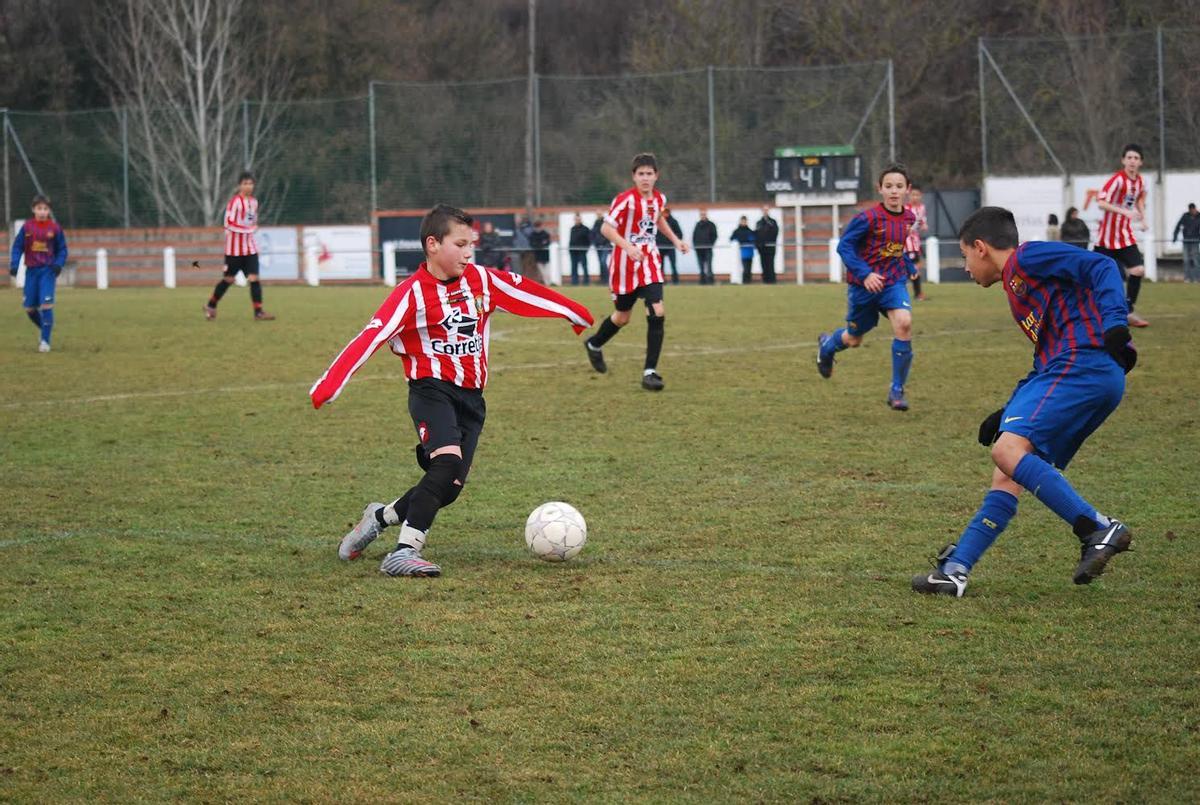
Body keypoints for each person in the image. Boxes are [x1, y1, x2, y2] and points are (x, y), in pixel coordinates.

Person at [310, 204, 593, 577]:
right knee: (444, 466)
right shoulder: (410, 295)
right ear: (432, 245)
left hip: (472, 401)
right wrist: (331, 383)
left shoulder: (482, 281)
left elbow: (527, 293)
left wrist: (574, 312)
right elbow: (372, 335)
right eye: (460, 244)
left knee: (450, 487)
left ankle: (380, 516)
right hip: (431, 391)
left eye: (470, 244)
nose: (468, 251)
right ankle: (404, 550)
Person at [912, 206, 1136, 597]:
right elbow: (1043, 357)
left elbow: (1101, 266)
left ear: (980, 248)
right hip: (1073, 370)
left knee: (1008, 451)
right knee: (1009, 469)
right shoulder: (1017, 291)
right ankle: (956, 569)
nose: (965, 268)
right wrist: (1008, 408)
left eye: (964, 256)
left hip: (1083, 362)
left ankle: (1097, 527)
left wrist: (1116, 322)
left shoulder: (1027, 257)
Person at [583, 153, 689, 391]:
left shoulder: (659, 198)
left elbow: (658, 219)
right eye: (640, 174)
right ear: (634, 176)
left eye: (649, 174)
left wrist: (676, 240)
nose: (645, 178)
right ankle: (594, 344)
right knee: (622, 317)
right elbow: (606, 228)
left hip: (649, 262)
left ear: (656, 176)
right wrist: (628, 247)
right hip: (624, 264)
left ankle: (650, 372)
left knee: (657, 310)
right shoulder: (624, 200)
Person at [816, 164, 917, 411]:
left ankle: (896, 391)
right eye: (889, 186)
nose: (894, 191)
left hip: (893, 282)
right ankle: (827, 348)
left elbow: (894, 247)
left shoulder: (908, 218)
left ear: (907, 190)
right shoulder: (867, 218)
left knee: (904, 323)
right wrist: (865, 274)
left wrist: (907, 264)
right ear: (880, 189)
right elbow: (844, 247)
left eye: (899, 186)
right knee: (854, 339)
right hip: (863, 287)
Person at [204, 171, 274, 321]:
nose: (248, 186)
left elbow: (250, 220)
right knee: (228, 280)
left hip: (250, 248)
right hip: (234, 251)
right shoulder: (235, 202)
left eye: (251, 183)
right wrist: (247, 229)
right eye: (245, 183)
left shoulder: (253, 202)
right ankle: (211, 305)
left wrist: (253, 225)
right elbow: (228, 223)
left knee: (254, 278)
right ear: (239, 185)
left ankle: (258, 312)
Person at [1094, 143, 1150, 327]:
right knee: (1097, 278)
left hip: (1124, 236)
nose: (1132, 161)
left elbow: (1140, 199)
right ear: (1123, 160)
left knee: (1138, 270)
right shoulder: (1117, 180)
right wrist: (1124, 212)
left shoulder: (1140, 182)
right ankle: (1089, 313)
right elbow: (1101, 202)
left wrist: (1143, 218)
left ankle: (1128, 309)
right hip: (1105, 239)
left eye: (1136, 158)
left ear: (1140, 162)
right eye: (1129, 158)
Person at [9, 194, 68, 352]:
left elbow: (62, 249)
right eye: (39, 208)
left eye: (45, 209)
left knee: (46, 305)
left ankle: (45, 341)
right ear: (33, 209)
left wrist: (58, 264)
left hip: (47, 272)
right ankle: (45, 328)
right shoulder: (27, 227)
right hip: (31, 272)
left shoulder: (55, 228)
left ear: (49, 210)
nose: (42, 212)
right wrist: (14, 265)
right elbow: (17, 247)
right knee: (29, 308)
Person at [904, 185, 929, 301]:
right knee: (912, 268)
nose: (915, 197)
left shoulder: (922, 208)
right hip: (907, 243)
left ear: (921, 196)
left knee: (917, 267)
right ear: (909, 196)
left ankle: (917, 293)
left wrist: (924, 225)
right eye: (913, 194)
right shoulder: (905, 208)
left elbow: (922, 222)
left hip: (916, 242)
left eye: (917, 195)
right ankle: (916, 293)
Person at [1171, 202, 1200, 283]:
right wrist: (1175, 237)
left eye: (1193, 210)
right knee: (1186, 260)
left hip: (1195, 241)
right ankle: (1187, 279)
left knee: (1196, 260)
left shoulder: (1199, 217)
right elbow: (1178, 226)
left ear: (1195, 209)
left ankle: (1197, 279)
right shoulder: (1185, 216)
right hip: (1186, 241)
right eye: (1190, 210)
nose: (1192, 212)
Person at [656, 207, 683, 284]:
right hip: (660, 247)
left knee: (673, 265)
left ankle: (675, 281)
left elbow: (679, 234)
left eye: (666, 212)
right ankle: (662, 280)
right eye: (664, 212)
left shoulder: (673, 222)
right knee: (661, 266)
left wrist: (674, 241)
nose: (665, 214)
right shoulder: (657, 222)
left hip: (670, 247)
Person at [754, 206, 780, 284]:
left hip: (770, 247)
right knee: (763, 264)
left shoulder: (772, 222)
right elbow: (757, 234)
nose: (765, 211)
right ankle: (765, 280)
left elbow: (775, 232)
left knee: (770, 264)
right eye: (764, 210)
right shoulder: (759, 223)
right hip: (762, 248)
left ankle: (772, 280)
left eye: (766, 210)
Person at [692, 209, 718, 285]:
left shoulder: (711, 225)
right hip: (699, 249)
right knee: (701, 266)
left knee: (709, 266)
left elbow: (714, 235)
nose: (703, 216)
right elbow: (694, 236)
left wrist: (710, 244)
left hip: (708, 248)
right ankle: (702, 281)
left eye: (704, 214)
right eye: (701, 214)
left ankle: (710, 281)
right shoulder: (697, 225)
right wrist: (695, 245)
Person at [568, 213, 591, 286]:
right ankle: (574, 282)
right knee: (574, 266)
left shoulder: (585, 229)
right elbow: (571, 240)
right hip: (573, 251)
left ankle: (586, 281)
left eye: (578, 219)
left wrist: (586, 249)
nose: (577, 221)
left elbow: (589, 240)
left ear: (581, 220)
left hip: (582, 251)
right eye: (576, 219)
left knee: (584, 266)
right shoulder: (573, 228)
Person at [730, 216, 755, 283]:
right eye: (743, 221)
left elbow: (753, 239)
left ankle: (748, 281)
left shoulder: (750, 231)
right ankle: (744, 281)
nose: (744, 222)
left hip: (749, 252)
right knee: (745, 268)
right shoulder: (737, 231)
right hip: (741, 253)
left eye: (745, 221)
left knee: (749, 268)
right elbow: (732, 239)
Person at [529, 219, 552, 284]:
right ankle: (546, 283)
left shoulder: (545, 234)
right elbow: (533, 244)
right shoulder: (533, 235)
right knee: (541, 272)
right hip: (538, 256)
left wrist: (540, 244)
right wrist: (541, 244)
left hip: (546, 255)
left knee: (546, 271)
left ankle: (548, 283)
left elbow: (547, 243)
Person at [590, 210, 610, 284]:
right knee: (600, 262)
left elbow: (607, 232)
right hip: (598, 246)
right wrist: (594, 243)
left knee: (603, 262)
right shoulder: (596, 223)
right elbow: (593, 234)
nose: (598, 215)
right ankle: (602, 279)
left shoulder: (605, 222)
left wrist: (604, 241)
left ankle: (607, 278)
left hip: (605, 245)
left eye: (599, 214)